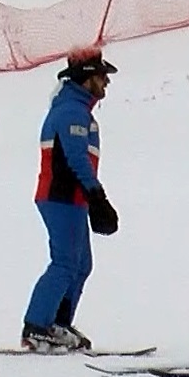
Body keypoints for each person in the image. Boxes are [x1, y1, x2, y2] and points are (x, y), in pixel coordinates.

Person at [22, 47, 120, 353]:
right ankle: (37, 326)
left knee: (81, 265)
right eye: (102, 76)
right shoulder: (70, 112)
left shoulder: (78, 110)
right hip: (60, 197)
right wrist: (97, 196)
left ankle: (58, 324)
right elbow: (76, 159)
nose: (107, 82)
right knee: (65, 262)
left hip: (73, 199)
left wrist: (91, 199)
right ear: (87, 78)